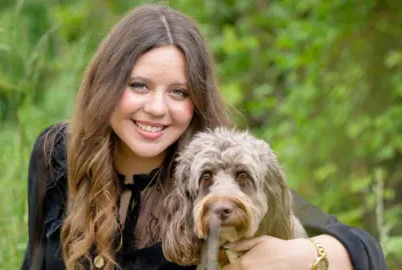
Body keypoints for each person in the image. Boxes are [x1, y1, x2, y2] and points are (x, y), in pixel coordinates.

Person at [21, 4, 386, 270]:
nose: (157, 108)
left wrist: (305, 254)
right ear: (106, 85)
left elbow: (366, 250)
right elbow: (34, 261)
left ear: (196, 100)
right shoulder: (56, 153)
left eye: (179, 92)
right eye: (139, 86)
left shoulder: (210, 168)